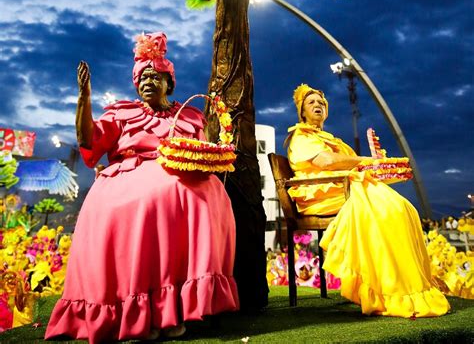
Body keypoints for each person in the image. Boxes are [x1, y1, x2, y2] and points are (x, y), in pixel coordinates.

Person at [45, 32, 239, 343]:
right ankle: (140, 311)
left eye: (154, 76)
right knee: (151, 197)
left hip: (180, 174)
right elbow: (87, 140)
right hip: (130, 174)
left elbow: (202, 153)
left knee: (209, 191)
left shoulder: (189, 115)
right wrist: (85, 97)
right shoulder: (122, 112)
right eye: (142, 78)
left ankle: (175, 308)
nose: (147, 82)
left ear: (169, 83)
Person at [285, 83, 450, 318]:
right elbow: (325, 162)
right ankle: (389, 290)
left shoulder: (329, 138)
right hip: (320, 194)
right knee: (386, 209)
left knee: (402, 208)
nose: (317, 105)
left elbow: (348, 162)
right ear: (302, 111)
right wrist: (367, 161)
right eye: (311, 103)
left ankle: (401, 285)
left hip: (342, 189)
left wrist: (373, 164)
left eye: (321, 102)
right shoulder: (301, 136)